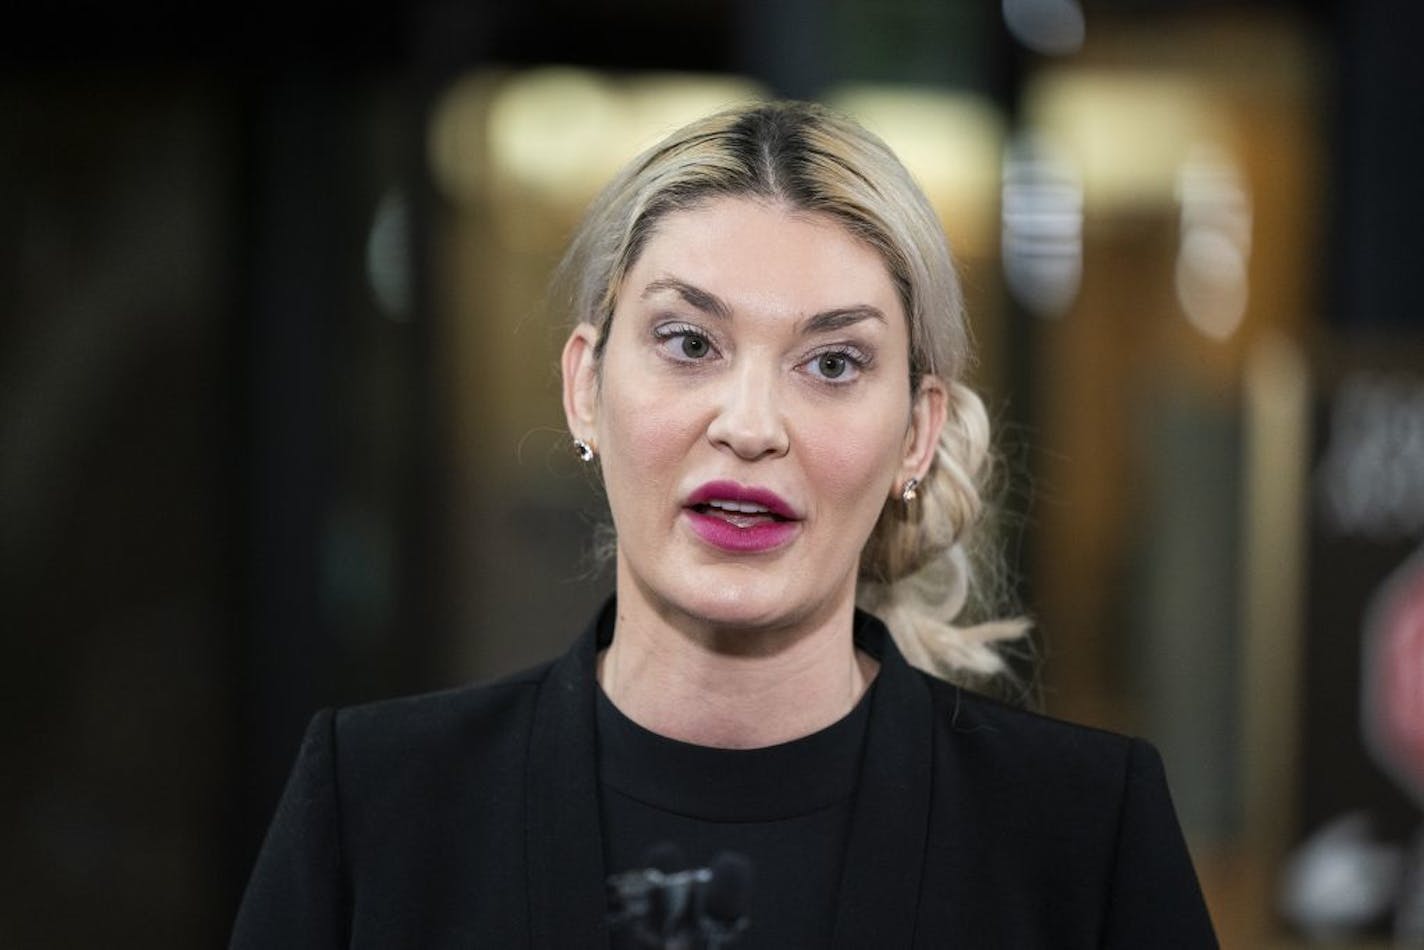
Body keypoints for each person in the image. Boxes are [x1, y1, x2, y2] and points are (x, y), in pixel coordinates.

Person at [231, 100, 1217, 948]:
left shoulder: (1082, 836)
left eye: (831, 363)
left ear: (916, 432)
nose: (748, 426)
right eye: (687, 341)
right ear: (583, 385)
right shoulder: (371, 806)